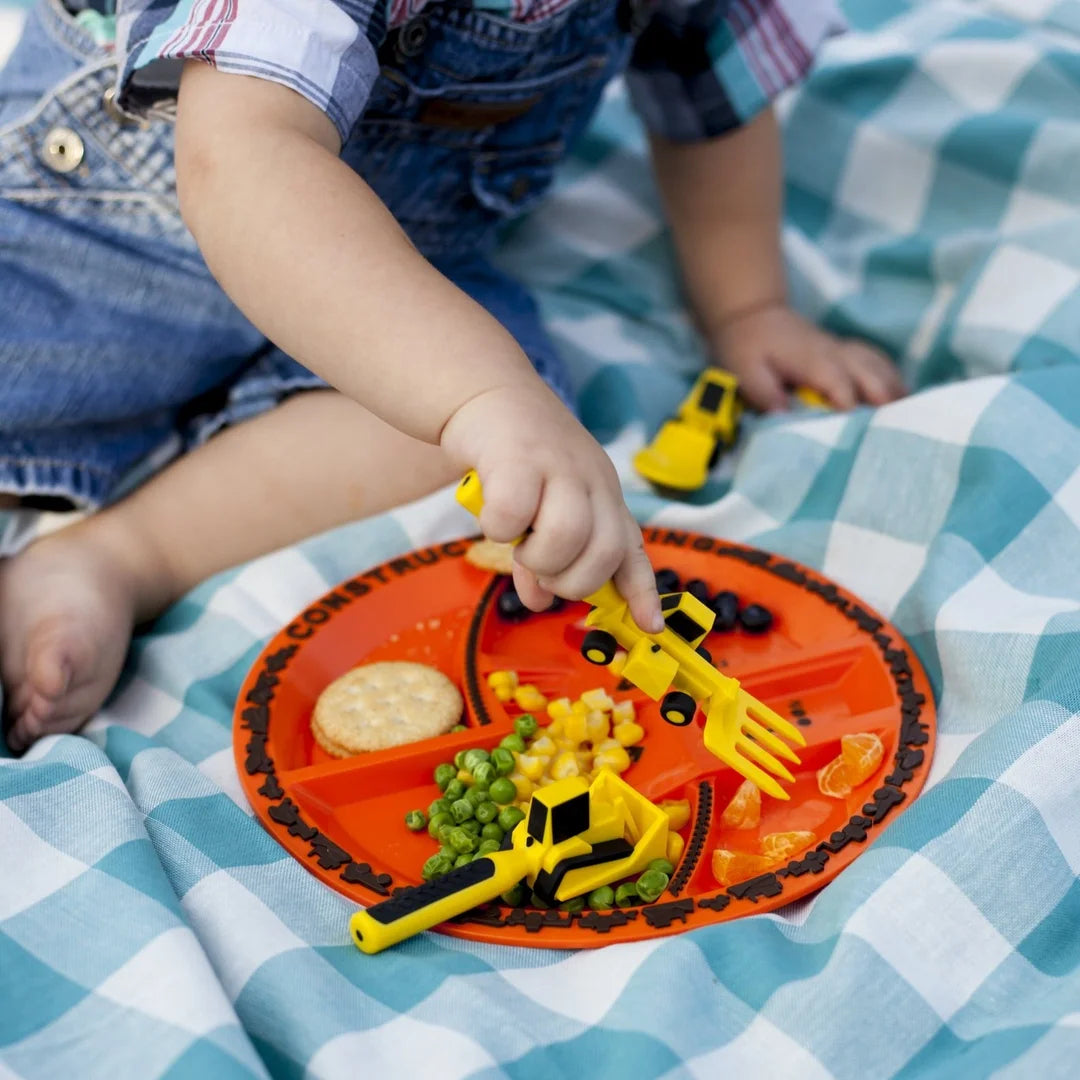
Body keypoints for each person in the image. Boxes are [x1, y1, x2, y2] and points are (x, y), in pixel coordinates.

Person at [0, 0, 903, 753]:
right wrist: (479, 391)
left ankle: (119, 557)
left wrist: (748, 308)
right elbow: (242, 156)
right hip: (98, 237)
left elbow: (709, 92)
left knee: (505, 452)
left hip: (404, 270)